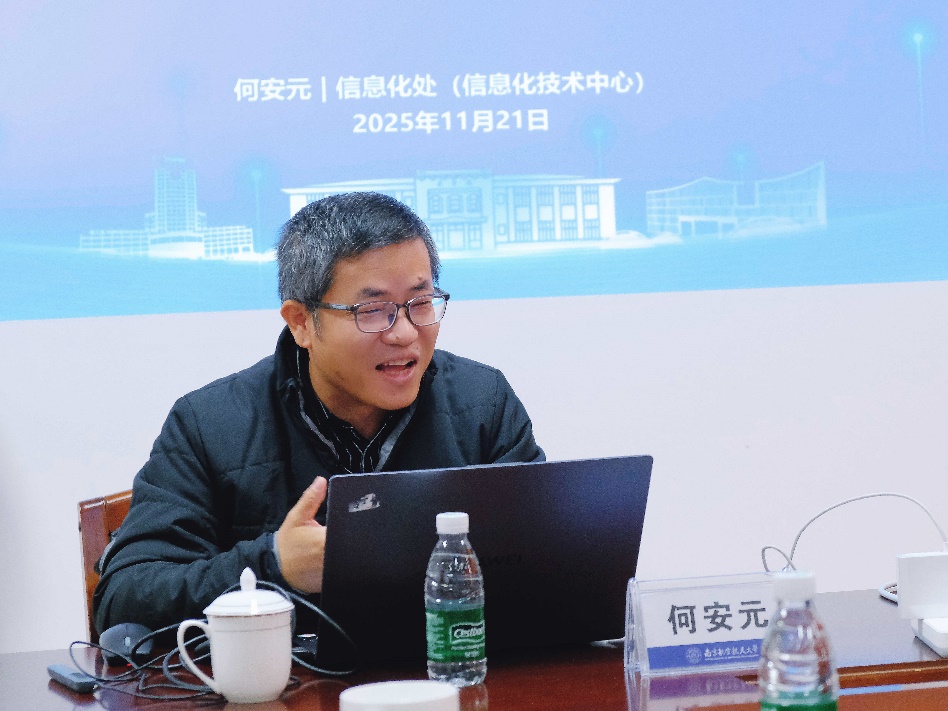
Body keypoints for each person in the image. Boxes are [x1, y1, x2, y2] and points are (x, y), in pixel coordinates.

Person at [93, 192, 544, 634]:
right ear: (301, 322)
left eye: (420, 304)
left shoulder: (483, 404)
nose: (405, 333)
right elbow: (124, 598)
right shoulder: (209, 425)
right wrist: (275, 564)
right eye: (374, 310)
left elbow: (548, 561)